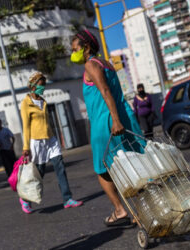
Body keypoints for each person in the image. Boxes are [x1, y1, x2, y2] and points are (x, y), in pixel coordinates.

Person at [70, 30, 144, 226]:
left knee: (103, 169)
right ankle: (141, 209)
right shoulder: (107, 64)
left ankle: (121, 210)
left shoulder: (90, 65)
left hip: (106, 123)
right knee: (133, 163)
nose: (72, 53)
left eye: (75, 49)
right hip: (124, 116)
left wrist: (115, 120)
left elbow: (104, 90)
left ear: (86, 48)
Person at [19, 71, 83, 214]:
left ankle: (67, 199)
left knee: (60, 167)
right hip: (36, 141)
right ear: (33, 85)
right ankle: (25, 199)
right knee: (39, 173)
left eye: (44, 85)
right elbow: (26, 126)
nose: (43, 88)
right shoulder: (26, 103)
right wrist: (25, 147)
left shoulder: (43, 101)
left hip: (51, 139)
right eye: (41, 85)